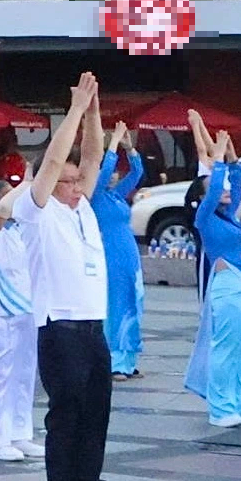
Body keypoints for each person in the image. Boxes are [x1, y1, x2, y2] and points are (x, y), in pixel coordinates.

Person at [21, 74, 137, 481]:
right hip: (60, 329)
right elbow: (55, 161)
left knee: (95, 416)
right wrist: (70, 113)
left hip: (93, 330)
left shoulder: (83, 208)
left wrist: (92, 111)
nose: (73, 186)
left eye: (75, 182)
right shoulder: (38, 210)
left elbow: (90, 157)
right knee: (65, 418)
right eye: (65, 181)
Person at [183, 114, 241, 429]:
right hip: (227, 287)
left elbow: (238, 180)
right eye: (219, 187)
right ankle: (220, 407)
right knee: (227, 347)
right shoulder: (204, 218)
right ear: (202, 197)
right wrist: (217, 161)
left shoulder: (229, 216)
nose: (226, 189)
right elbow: (216, 188)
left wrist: (229, 157)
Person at [0, 175, 39, 462]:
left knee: (24, 375)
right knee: (0, 376)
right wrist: (26, 184)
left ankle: (20, 433)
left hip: (27, 309)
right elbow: (2, 212)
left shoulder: (19, 231)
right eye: (7, 194)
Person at [90, 125, 146, 378]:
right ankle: (113, 361)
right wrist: (109, 147)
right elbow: (101, 177)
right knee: (115, 306)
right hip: (109, 256)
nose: (113, 176)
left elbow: (138, 172)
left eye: (115, 171)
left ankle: (128, 357)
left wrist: (128, 148)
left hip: (128, 256)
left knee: (133, 302)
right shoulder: (94, 196)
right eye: (109, 170)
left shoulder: (116, 196)